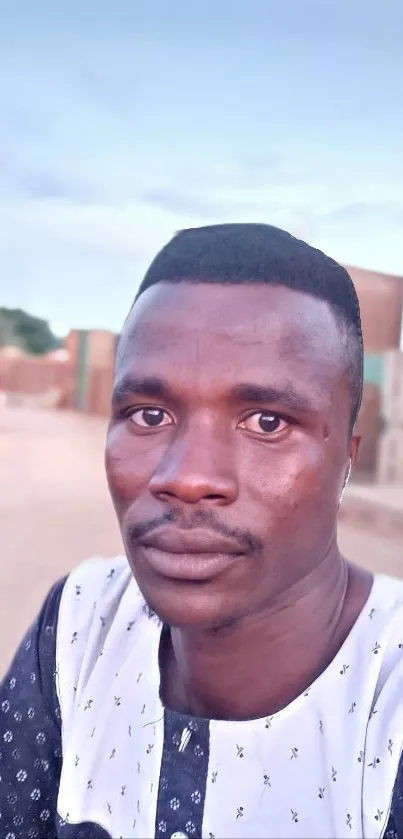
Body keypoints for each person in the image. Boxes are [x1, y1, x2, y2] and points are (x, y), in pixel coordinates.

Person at [1, 223, 402, 839]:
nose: (186, 478)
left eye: (267, 421)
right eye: (149, 414)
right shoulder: (81, 623)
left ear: (347, 459)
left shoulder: (386, 703)